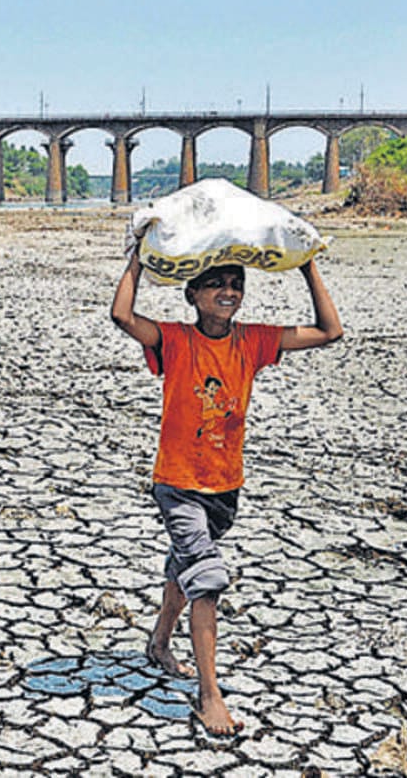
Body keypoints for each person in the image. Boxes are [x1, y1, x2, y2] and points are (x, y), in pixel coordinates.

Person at [110, 250, 343, 735]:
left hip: (224, 485)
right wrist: (137, 258)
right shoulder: (175, 339)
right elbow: (123, 316)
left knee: (184, 567)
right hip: (178, 484)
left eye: (236, 283)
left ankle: (159, 643)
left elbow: (329, 331)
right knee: (208, 578)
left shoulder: (253, 341)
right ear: (192, 293)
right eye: (216, 283)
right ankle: (210, 695)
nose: (229, 291)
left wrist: (306, 265)